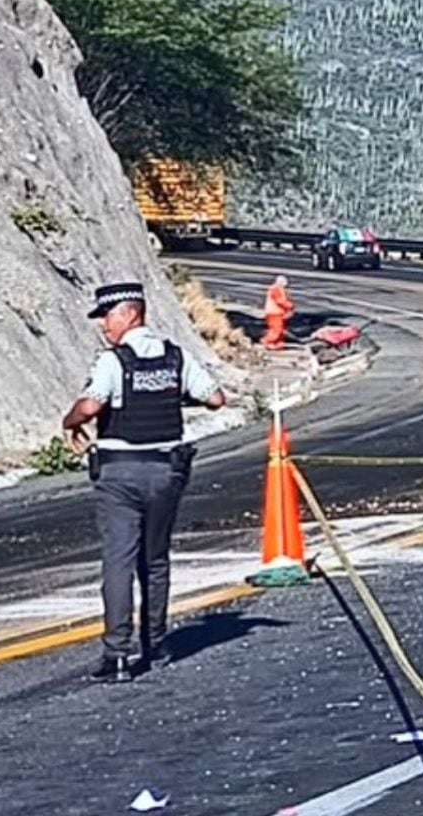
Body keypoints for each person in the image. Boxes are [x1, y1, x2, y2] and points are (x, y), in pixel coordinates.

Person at [61, 282, 224, 682]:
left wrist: (70, 422)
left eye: (107, 316)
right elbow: (216, 398)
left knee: (119, 560)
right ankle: (157, 645)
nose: (103, 325)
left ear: (130, 314)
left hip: (119, 472)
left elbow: (92, 403)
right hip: (167, 470)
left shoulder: (113, 361)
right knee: (155, 559)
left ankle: (117, 654)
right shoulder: (176, 357)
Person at [261, 275, 294, 348]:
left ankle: (278, 344)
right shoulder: (276, 289)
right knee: (276, 330)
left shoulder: (279, 289)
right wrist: (290, 305)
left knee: (280, 330)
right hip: (274, 313)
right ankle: (266, 341)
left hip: (278, 313)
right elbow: (280, 301)